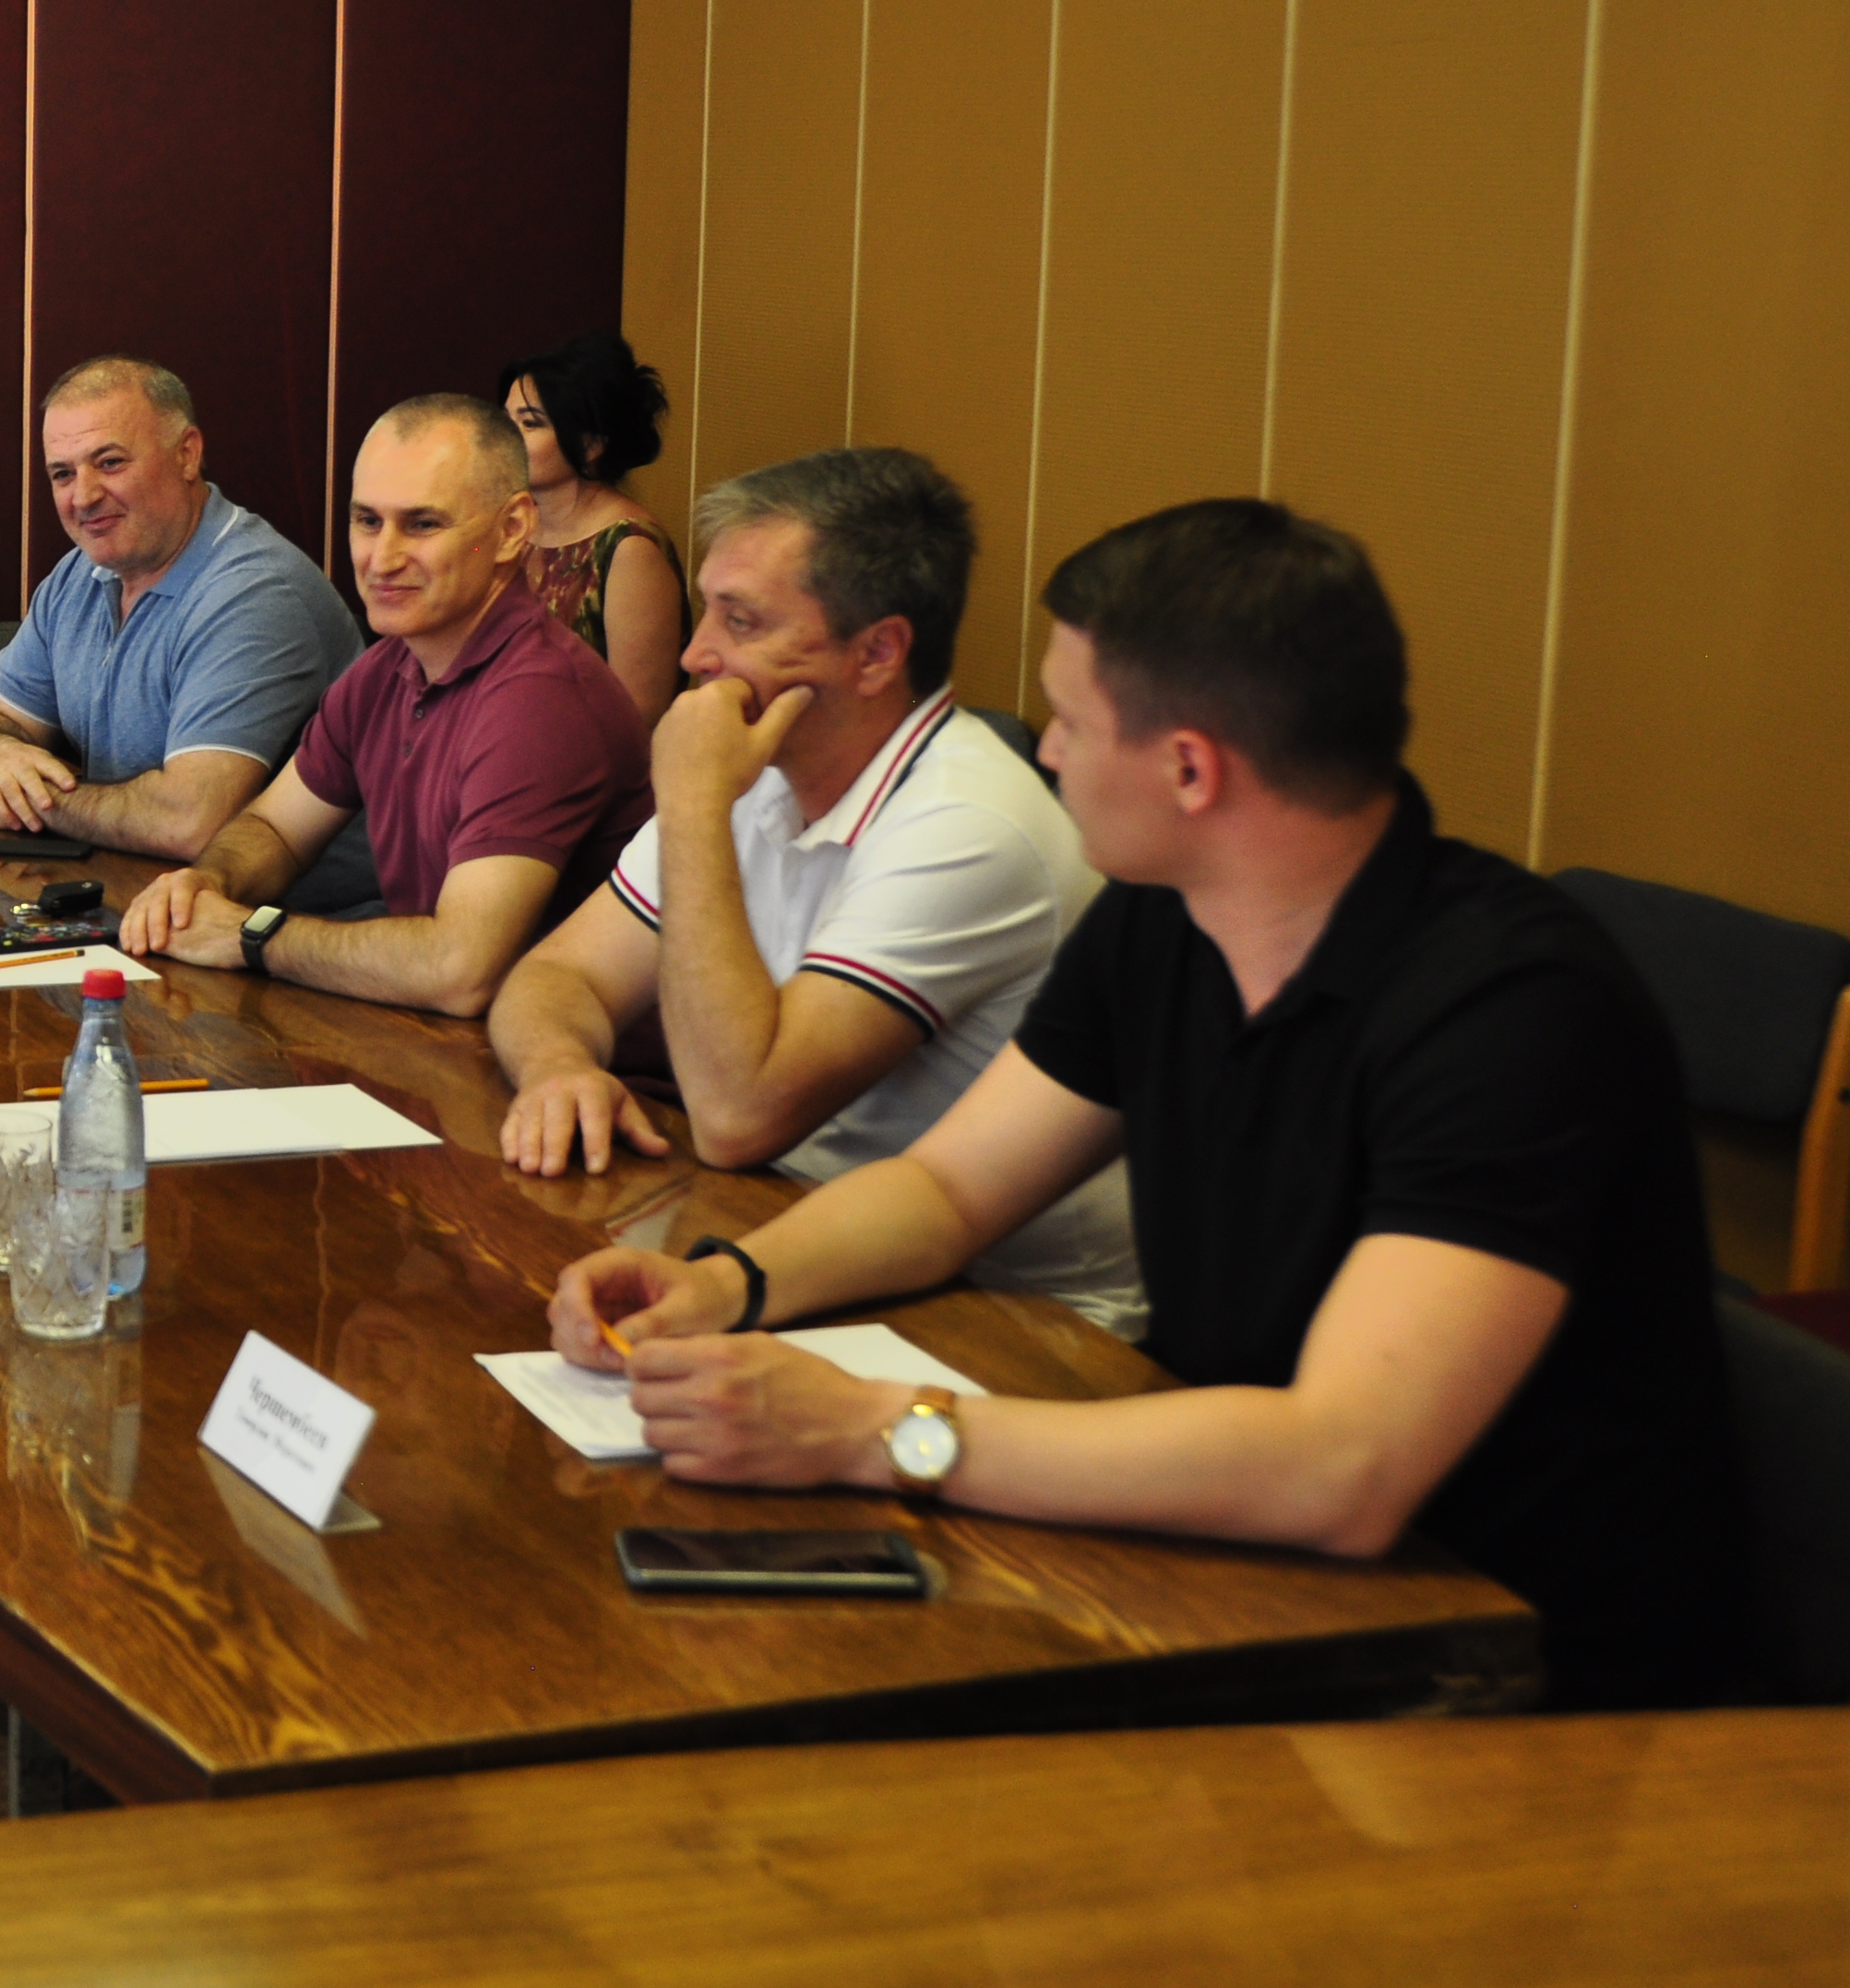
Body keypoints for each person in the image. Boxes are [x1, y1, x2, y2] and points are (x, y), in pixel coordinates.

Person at [547, 500, 1740, 1712]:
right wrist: (726, 1286)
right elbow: (948, 1190)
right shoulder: (1167, 916)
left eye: (1069, 720)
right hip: (1234, 1563)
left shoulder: (1512, 1010)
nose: (1047, 754)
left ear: (1188, 769)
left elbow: (1345, 1468)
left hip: (1502, 1666)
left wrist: (870, 1431)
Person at [490, 447, 1141, 1333]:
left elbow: (736, 1117)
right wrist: (559, 1065)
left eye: (741, 622)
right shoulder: (756, 767)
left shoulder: (970, 822)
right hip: (790, 1235)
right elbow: (558, 976)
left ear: (877, 654)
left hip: (1014, 1318)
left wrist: (691, 805)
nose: (695, 654)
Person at [117, 396, 647, 1017]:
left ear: (511, 531)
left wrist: (247, 934)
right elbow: (275, 830)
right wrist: (204, 886)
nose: (383, 559)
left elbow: (459, 970)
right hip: (437, 1037)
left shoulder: (541, 702)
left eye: (422, 524)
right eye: (368, 521)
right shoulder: (385, 669)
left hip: (585, 1062)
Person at [0, 356, 366, 903]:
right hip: (137, 902)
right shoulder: (79, 574)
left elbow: (190, 820)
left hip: (293, 927)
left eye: (109, 463)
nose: (83, 496)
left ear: (187, 454)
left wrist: (30, 804)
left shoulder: (255, 593)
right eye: (62, 474)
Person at [502, 331, 686, 727]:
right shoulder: (509, 528)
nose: (504, 439)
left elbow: (637, 717)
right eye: (506, 420)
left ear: (590, 445)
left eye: (529, 423)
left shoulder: (630, 548)